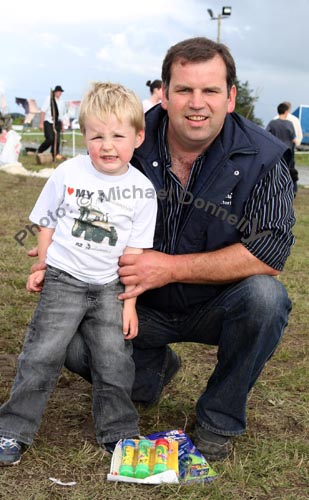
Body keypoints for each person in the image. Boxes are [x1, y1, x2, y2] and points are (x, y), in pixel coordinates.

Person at [27, 37, 295, 462]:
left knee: (266, 299)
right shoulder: (126, 138)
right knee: (70, 340)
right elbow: (76, 197)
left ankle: (219, 418)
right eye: (184, 90)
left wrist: (170, 268)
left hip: (215, 301)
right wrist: (57, 244)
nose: (196, 103)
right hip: (134, 301)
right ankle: (148, 373)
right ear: (164, 95)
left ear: (230, 98)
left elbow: (270, 250)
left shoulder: (264, 157)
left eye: (209, 91)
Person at [0, 82, 157, 466]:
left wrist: (130, 303)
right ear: (83, 134)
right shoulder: (68, 172)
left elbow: (134, 254)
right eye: (97, 135)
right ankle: (12, 430)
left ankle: (119, 434)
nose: (107, 145)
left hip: (110, 289)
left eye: (118, 136)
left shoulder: (142, 191)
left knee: (114, 360)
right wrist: (43, 265)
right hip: (64, 281)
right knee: (41, 354)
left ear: (138, 137)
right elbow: (47, 224)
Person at [267, 102, 298, 194]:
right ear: (286, 111)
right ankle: (291, 189)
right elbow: (293, 138)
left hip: (276, 151)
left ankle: (274, 187)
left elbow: (266, 134)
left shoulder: (272, 123)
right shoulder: (289, 123)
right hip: (288, 151)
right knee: (289, 170)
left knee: (275, 170)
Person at [37, 85, 65, 160]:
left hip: (57, 122)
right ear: (55, 92)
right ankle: (40, 150)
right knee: (50, 138)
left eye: (60, 92)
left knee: (57, 140)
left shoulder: (62, 102)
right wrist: (41, 123)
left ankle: (54, 154)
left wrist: (62, 125)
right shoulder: (49, 99)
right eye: (58, 92)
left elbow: (61, 115)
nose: (59, 93)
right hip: (48, 121)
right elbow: (42, 111)